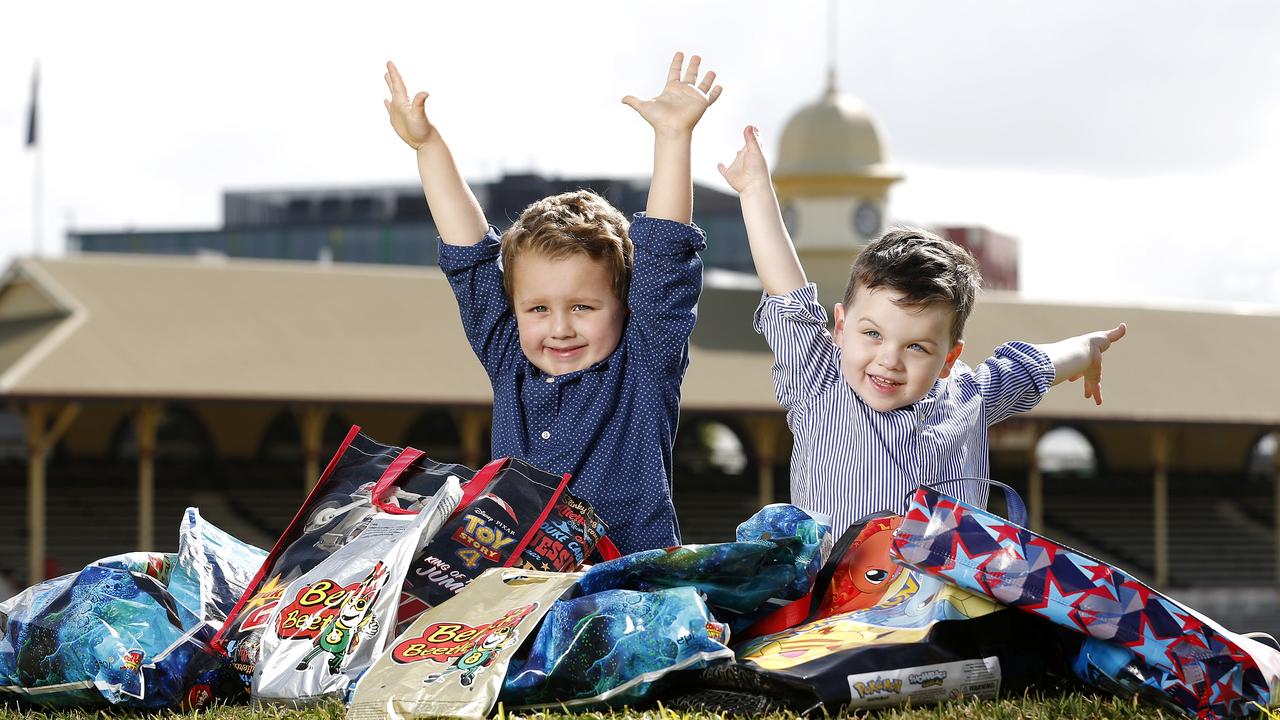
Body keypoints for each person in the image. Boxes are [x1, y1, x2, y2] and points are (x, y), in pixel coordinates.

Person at [384, 53, 721, 554]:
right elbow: (469, 256)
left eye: (583, 307)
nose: (559, 328)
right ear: (513, 309)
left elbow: (666, 254)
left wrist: (673, 137)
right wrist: (427, 145)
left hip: (630, 595)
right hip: (517, 598)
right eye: (537, 309)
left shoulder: (644, 362)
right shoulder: (508, 359)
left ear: (625, 304)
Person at [718, 125, 1127, 537]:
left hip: (942, 599)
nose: (889, 359)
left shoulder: (969, 395)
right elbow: (787, 292)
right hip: (839, 597)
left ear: (949, 358)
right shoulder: (820, 381)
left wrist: (1086, 349)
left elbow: (1034, 366)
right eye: (873, 334)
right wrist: (754, 188)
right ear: (840, 328)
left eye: (916, 346)